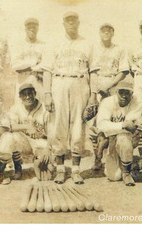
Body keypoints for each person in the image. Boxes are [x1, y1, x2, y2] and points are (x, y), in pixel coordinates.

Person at [41, 11, 92, 184]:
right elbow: (47, 70)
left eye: (74, 20)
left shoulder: (87, 43)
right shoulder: (54, 42)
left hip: (80, 83)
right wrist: (47, 93)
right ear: (63, 23)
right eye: (68, 21)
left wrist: (93, 96)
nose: (71, 23)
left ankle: (76, 169)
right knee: (58, 126)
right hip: (59, 83)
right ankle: (61, 169)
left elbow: (94, 71)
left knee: (78, 125)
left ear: (79, 22)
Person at [88, 22, 129, 171]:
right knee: (94, 124)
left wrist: (110, 85)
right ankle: (97, 158)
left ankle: (113, 156)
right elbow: (92, 72)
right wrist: (93, 94)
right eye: (103, 30)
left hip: (113, 85)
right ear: (99, 32)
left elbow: (123, 71)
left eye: (109, 31)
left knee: (113, 121)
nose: (106, 33)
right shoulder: (93, 48)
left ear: (113, 33)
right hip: (97, 85)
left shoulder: (119, 49)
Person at [0, 83, 51, 185]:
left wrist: (47, 148)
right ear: (20, 97)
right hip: (24, 142)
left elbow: (52, 133)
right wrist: (28, 127)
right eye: (24, 95)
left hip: (41, 142)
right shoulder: (16, 108)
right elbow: (8, 127)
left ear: (35, 93)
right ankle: (1, 173)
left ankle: (39, 160)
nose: (28, 97)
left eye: (30, 93)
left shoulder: (45, 109)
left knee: (46, 173)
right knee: (8, 137)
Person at [96, 76, 142, 186]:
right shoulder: (108, 102)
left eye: (127, 93)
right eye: (121, 92)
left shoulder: (137, 103)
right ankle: (132, 163)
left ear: (132, 94)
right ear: (116, 92)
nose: (124, 96)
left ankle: (127, 172)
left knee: (123, 138)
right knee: (114, 176)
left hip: (128, 139)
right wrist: (122, 125)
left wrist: (113, 129)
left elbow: (130, 127)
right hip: (112, 139)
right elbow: (101, 125)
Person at [10, 17, 45, 103]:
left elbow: (45, 64)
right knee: (21, 107)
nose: (32, 29)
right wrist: (34, 63)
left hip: (38, 79)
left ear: (38, 28)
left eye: (34, 27)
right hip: (23, 78)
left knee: (39, 106)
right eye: (29, 27)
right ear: (25, 28)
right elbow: (15, 65)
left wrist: (26, 65)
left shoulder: (43, 45)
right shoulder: (18, 45)